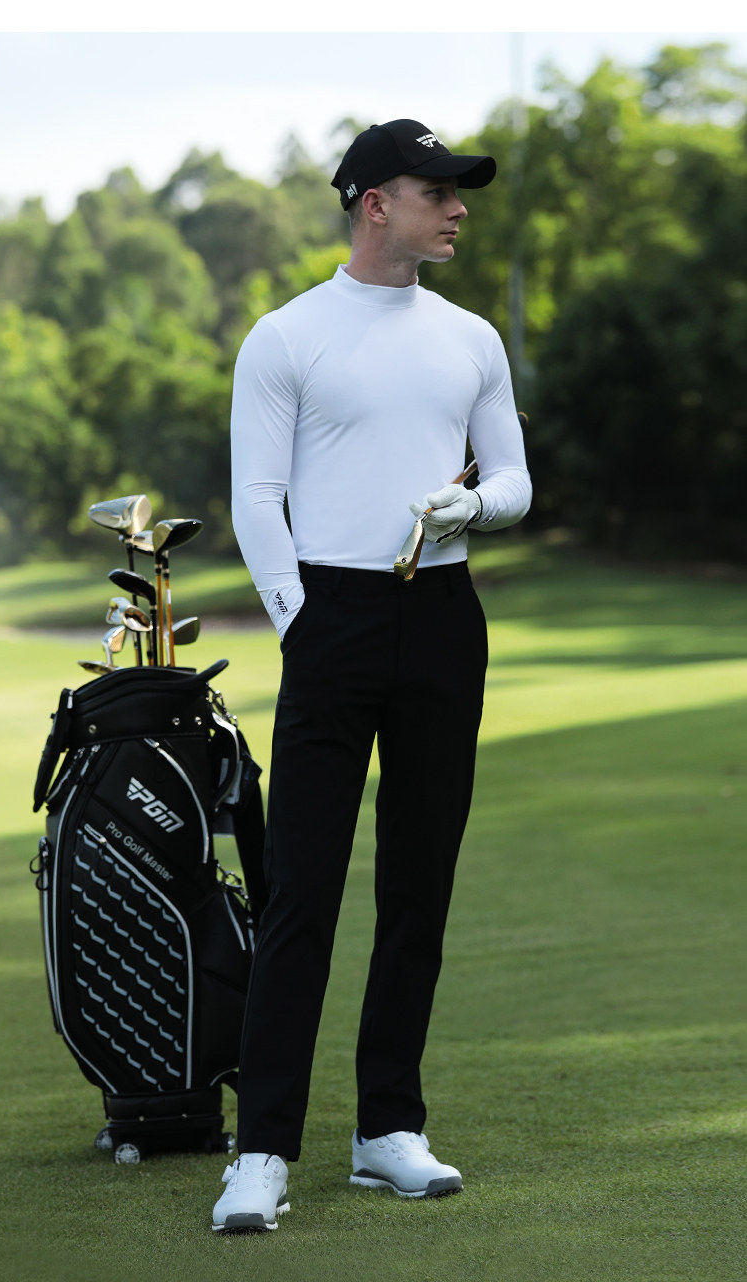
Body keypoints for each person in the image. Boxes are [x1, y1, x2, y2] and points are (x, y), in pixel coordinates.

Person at [212, 119, 532, 1233]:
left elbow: (515, 480)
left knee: (418, 882)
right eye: (434, 190)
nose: (455, 206)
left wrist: (470, 504)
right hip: (330, 616)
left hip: (442, 616)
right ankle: (262, 1148)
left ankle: (386, 1128)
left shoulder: (471, 338)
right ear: (373, 203)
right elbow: (258, 497)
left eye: (457, 191)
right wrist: (299, 622)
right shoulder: (287, 336)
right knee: (301, 889)